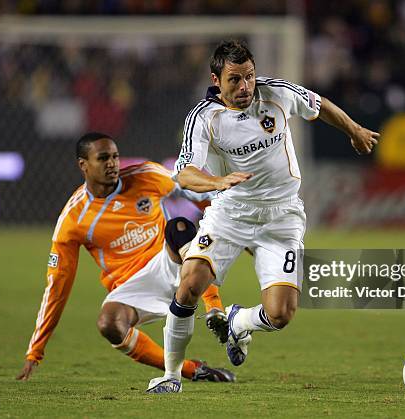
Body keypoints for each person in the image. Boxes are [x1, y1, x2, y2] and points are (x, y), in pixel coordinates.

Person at [146, 40, 379, 393]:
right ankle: (171, 375)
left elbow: (319, 105)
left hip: (282, 216)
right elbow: (184, 173)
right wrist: (217, 181)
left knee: (281, 314)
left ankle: (240, 321)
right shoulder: (205, 118)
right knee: (191, 282)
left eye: (249, 78)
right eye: (235, 80)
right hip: (230, 213)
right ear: (216, 79)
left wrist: (355, 130)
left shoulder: (276, 94)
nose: (245, 87)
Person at [17, 132, 234, 383]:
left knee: (179, 226)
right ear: (83, 165)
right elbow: (57, 286)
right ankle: (191, 370)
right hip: (134, 286)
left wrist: (228, 229)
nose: (112, 164)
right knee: (109, 323)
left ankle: (214, 309)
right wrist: (36, 350)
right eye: (103, 158)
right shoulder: (74, 219)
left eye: (115, 157)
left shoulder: (147, 175)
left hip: (170, 259)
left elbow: (196, 192)